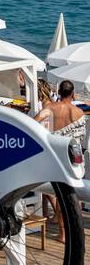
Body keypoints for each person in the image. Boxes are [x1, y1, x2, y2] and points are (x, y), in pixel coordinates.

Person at [37, 82, 85, 243]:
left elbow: (35, 122)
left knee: (60, 193)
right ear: (73, 94)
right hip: (73, 155)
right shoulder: (79, 112)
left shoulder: (50, 108)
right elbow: (80, 137)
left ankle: (63, 234)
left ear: (58, 91)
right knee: (74, 194)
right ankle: (75, 230)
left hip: (57, 154)